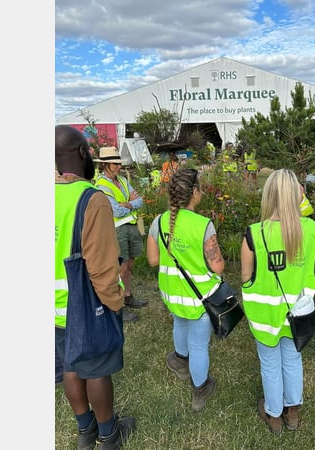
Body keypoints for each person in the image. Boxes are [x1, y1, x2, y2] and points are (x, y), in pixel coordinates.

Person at [55, 125, 136, 449]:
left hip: (54, 307)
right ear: (81, 154)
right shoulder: (91, 199)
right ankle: (108, 435)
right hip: (85, 304)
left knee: (71, 367)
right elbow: (102, 267)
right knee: (97, 370)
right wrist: (116, 304)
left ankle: (85, 431)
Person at [240, 168, 315, 434]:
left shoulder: (253, 233)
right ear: (297, 193)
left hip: (264, 315)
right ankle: (293, 412)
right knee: (292, 359)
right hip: (297, 313)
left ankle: (274, 415)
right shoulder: (308, 229)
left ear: (269, 195)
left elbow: (246, 277)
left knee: (270, 364)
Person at [145, 168, 224, 412]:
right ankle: (199, 389)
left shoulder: (159, 222)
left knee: (180, 323)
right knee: (199, 345)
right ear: (195, 192)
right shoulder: (203, 225)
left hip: (172, 295)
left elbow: (153, 260)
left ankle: (180, 360)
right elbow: (218, 266)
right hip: (199, 299)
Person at [95, 147, 147, 321]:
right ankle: (118, 306)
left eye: (119, 163)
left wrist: (128, 204)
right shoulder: (101, 185)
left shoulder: (123, 180)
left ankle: (128, 296)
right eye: (114, 164)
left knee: (129, 265)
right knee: (120, 267)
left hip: (131, 226)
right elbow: (116, 211)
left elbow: (140, 200)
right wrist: (130, 203)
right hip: (117, 229)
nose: (118, 167)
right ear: (105, 165)